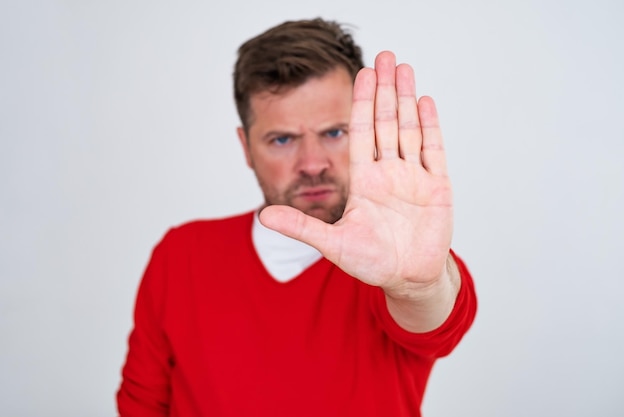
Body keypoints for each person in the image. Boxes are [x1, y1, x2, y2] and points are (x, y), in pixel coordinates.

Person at [117, 17, 477, 417]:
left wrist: (418, 286)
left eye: (334, 132)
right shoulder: (180, 256)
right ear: (247, 147)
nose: (311, 164)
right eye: (283, 139)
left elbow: (437, 322)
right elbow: (142, 405)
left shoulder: (392, 264)